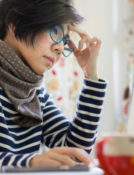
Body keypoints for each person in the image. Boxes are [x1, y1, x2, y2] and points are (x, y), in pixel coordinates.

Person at [0, 0, 107, 168]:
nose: (59, 48)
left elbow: (77, 152)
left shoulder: (35, 94)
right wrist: (31, 162)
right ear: (15, 22)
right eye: (55, 31)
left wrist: (90, 75)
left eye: (64, 41)